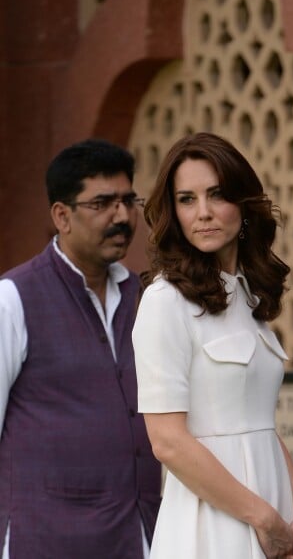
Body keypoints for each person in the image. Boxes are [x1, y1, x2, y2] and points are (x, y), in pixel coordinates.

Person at [131, 132, 293, 559]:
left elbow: (258, 422)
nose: (204, 213)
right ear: (173, 212)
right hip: (211, 521)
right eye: (187, 199)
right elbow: (168, 442)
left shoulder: (248, 297)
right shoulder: (165, 302)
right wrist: (262, 518)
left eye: (217, 195)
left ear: (243, 204)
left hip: (271, 510)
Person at [0, 139, 161, 559]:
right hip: (45, 539)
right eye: (103, 203)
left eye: (128, 200)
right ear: (61, 216)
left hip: (139, 537)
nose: (123, 216)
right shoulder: (13, 299)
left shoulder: (146, 298)